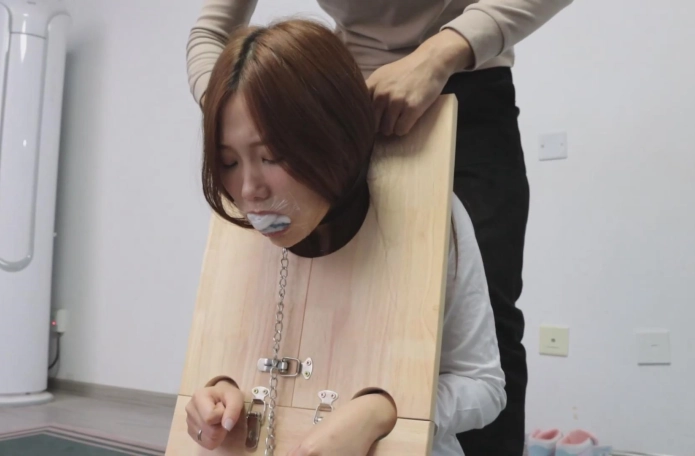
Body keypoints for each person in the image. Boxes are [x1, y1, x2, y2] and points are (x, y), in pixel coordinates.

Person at [186, 2, 574, 454]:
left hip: (461, 75)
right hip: (329, 101)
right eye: (229, 161)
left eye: (270, 155)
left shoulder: (442, 215)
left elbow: (482, 380)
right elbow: (209, 32)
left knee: (486, 319)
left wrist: (384, 412)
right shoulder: (256, 199)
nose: (250, 190)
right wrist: (238, 109)